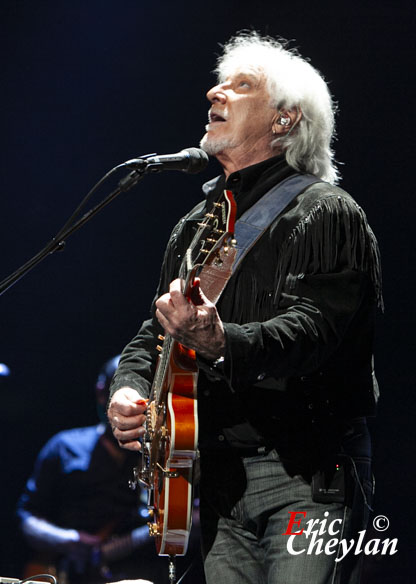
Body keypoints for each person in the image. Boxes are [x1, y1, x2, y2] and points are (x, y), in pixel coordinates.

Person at [107, 32, 382, 584]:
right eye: (220, 81)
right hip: (217, 481)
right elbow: (154, 334)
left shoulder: (325, 212)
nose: (215, 91)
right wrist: (128, 389)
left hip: (305, 476)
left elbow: (313, 331)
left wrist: (218, 340)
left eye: (241, 86)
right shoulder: (196, 226)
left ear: (284, 120)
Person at [16, 356, 158, 584]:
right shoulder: (64, 446)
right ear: (101, 393)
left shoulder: (154, 457)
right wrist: (70, 540)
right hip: (66, 571)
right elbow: (27, 516)